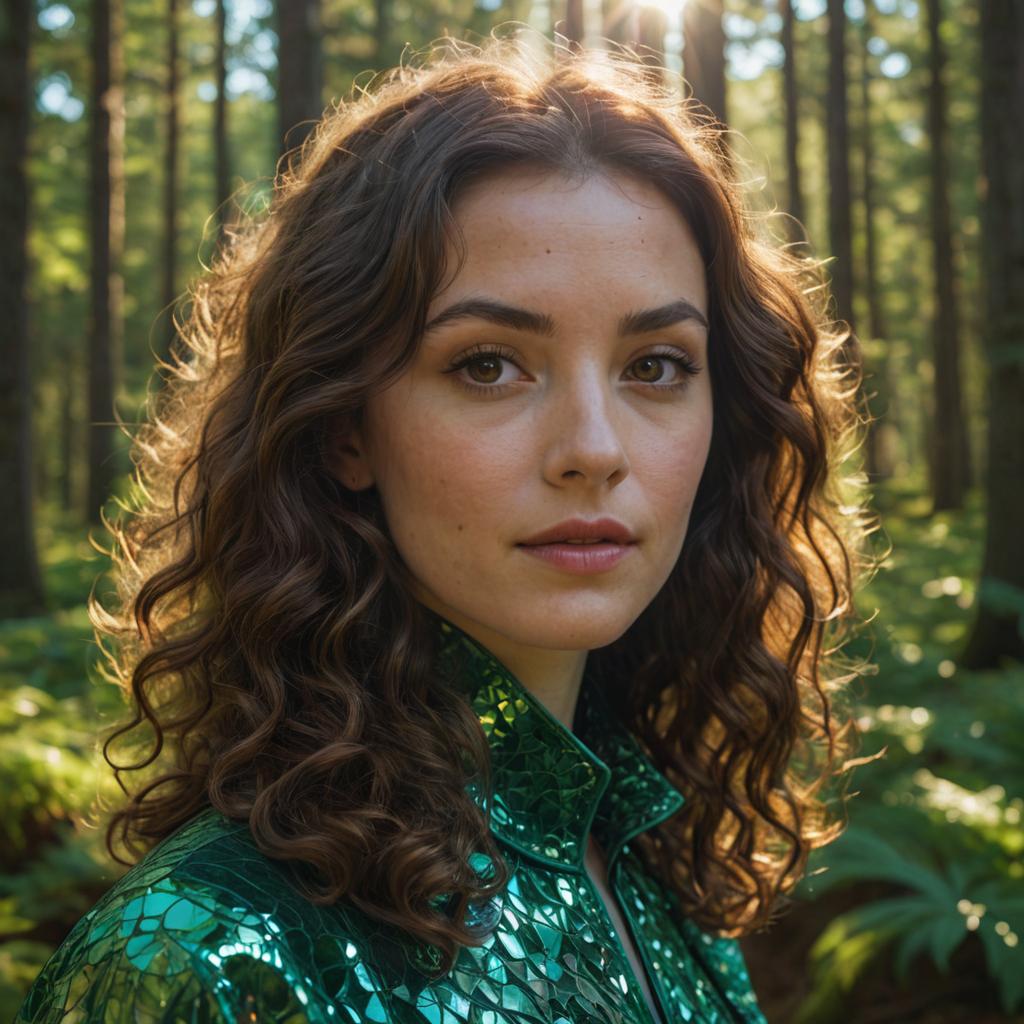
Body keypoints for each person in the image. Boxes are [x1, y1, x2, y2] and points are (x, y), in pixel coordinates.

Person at [16, 29, 875, 1024]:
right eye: (487, 364)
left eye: (655, 366)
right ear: (344, 429)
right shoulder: (201, 953)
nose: (593, 447)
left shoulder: (651, 865)